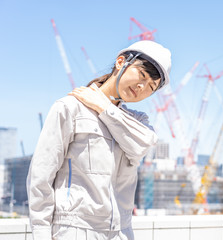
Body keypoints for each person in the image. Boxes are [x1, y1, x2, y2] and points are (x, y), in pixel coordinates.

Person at [26, 40, 172, 240]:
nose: (142, 86)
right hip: (74, 230)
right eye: (142, 75)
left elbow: (144, 145)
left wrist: (104, 108)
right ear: (121, 62)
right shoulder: (70, 108)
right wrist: (41, 234)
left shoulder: (138, 121)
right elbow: (40, 179)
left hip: (122, 232)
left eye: (151, 86)